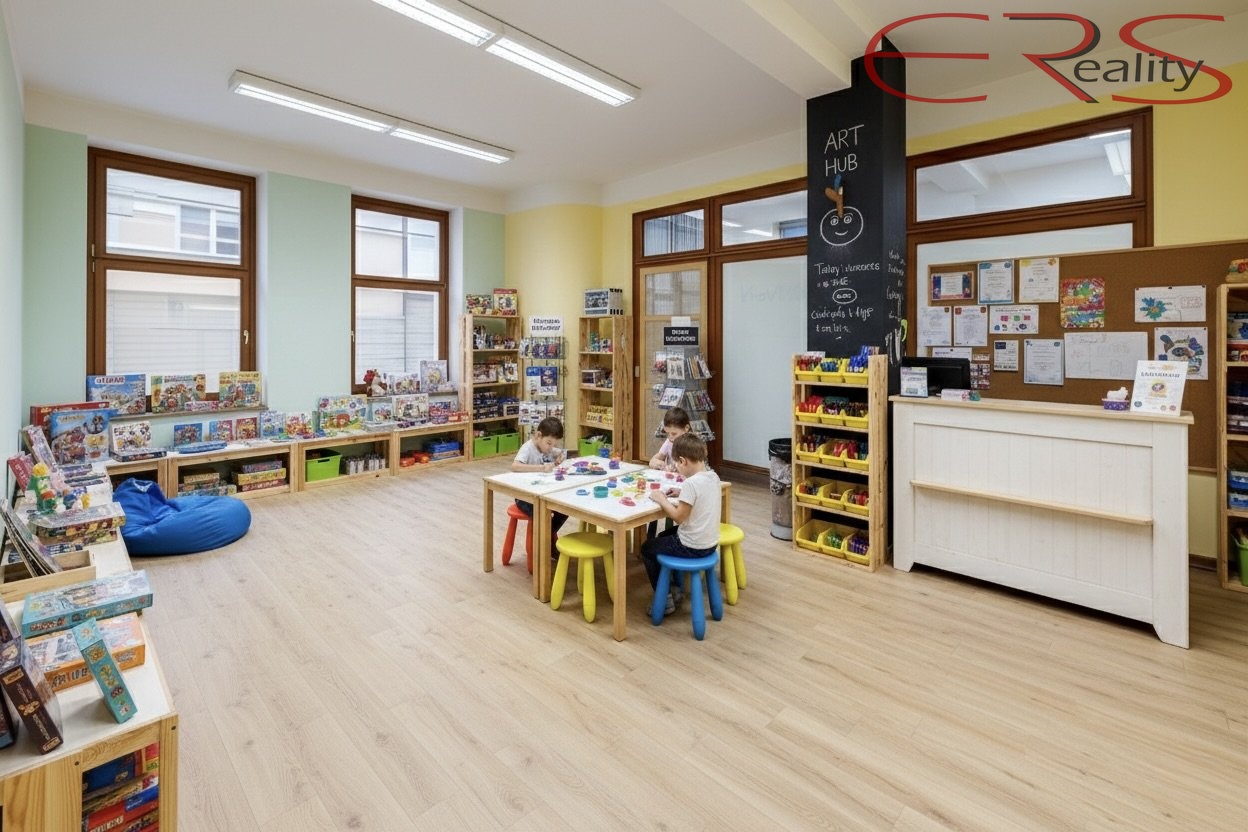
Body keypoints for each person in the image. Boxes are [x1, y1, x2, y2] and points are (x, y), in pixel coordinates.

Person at [641, 433, 721, 615]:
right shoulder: (713, 477)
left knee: (647, 548)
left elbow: (679, 517)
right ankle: (675, 586)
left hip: (691, 546)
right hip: (710, 543)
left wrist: (662, 499)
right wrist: (680, 492)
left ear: (683, 461)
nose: (676, 467)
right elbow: (700, 496)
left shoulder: (691, 484)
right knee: (663, 536)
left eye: (677, 463)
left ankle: (665, 599)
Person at [511, 416, 568, 555]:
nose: (551, 447)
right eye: (549, 443)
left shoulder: (548, 448)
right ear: (538, 436)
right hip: (525, 497)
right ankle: (544, 545)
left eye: (554, 444)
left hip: (542, 494)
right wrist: (541, 468)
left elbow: (560, 452)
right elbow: (515, 466)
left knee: (564, 509)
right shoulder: (528, 448)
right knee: (542, 514)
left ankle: (547, 537)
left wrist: (560, 456)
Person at [649, 407, 691, 471]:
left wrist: (676, 469)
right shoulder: (669, 442)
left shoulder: (691, 444)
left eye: (674, 434)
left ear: (686, 428)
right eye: (668, 433)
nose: (670, 437)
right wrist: (655, 462)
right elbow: (655, 459)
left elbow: (691, 468)